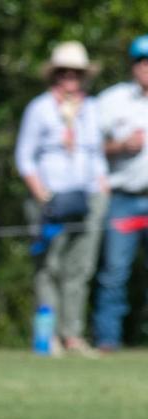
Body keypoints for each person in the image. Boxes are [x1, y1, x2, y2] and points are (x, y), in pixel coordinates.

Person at [15, 40, 109, 357]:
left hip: (88, 197)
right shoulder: (39, 108)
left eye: (77, 73)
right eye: (64, 72)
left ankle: (73, 335)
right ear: (54, 74)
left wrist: (102, 187)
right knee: (48, 267)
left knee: (79, 269)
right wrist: (41, 194)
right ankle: (47, 337)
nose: (71, 78)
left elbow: (96, 154)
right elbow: (24, 157)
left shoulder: (93, 109)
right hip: (49, 197)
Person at [92, 34, 148, 352]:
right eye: (142, 61)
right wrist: (120, 146)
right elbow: (89, 148)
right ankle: (107, 341)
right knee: (114, 273)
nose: (147, 68)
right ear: (133, 65)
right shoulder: (112, 100)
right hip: (123, 198)